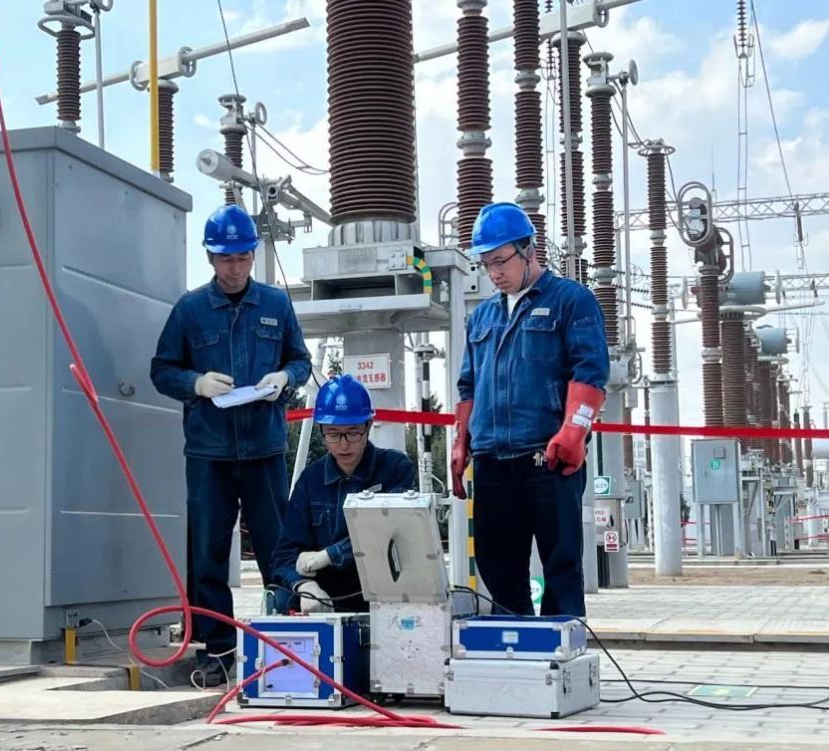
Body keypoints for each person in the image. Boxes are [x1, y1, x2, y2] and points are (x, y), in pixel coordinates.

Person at [150, 204, 311, 686]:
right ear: (210, 258)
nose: (235, 267)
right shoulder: (190, 310)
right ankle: (217, 651)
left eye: (243, 257)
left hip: (264, 450)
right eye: (226, 258)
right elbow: (162, 370)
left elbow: (300, 360)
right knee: (208, 552)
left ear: (253, 255)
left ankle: (285, 644)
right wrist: (196, 383)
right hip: (209, 454)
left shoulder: (276, 305)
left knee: (277, 550)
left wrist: (285, 378)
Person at [451, 202, 609, 618]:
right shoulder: (482, 317)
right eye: (486, 264)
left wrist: (574, 430)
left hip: (548, 460)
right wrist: (461, 441)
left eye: (500, 261)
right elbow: (468, 384)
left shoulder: (570, 301)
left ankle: (562, 644)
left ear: (529, 250)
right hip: (493, 461)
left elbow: (590, 370)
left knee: (561, 566)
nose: (494, 273)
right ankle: (513, 645)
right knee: (498, 569)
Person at [269, 374, 417, 614]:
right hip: (326, 591)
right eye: (334, 434)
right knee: (282, 597)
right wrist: (304, 586)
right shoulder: (310, 480)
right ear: (321, 430)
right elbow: (284, 554)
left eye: (353, 432)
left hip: (382, 585)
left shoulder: (395, 468)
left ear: (368, 426)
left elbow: (385, 532)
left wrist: (330, 555)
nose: (344, 444)